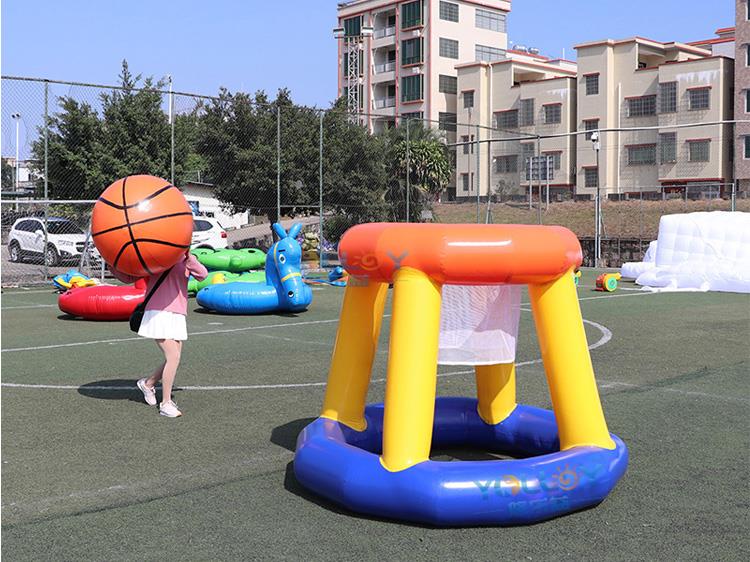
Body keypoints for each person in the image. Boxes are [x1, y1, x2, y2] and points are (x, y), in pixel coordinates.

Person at [111, 251, 208, 417]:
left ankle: (148, 384)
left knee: (175, 356)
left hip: (177, 313)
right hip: (157, 311)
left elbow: (202, 275)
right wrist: (112, 260)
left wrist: (188, 257)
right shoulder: (158, 255)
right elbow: (129, 277)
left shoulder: (187, 259)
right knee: (173, 357)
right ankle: (166, 403)